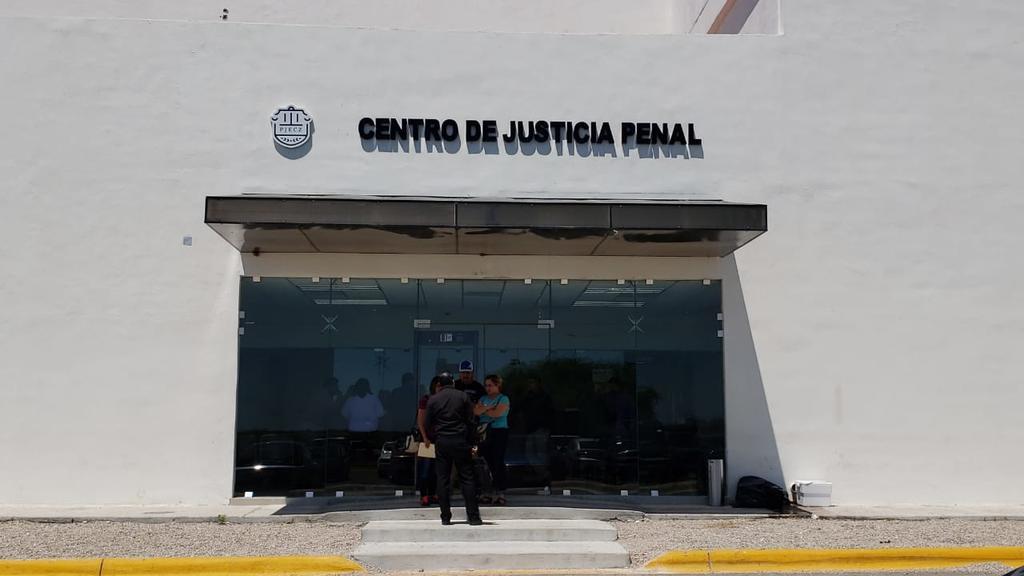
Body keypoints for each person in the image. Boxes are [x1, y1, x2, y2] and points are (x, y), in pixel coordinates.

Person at [424, 373, 483, 526]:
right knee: (467, 478)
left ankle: (445, 517)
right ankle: (473, 517)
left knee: (442, 479)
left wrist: (435, 437)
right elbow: (471, 421)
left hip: (442, 441)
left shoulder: (433, 399)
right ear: (453, 382)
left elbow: (427, 424)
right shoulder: (463, 396)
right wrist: (472, 441)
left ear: (440, 384)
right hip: (460, 441)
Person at [474, 374, 510, 505]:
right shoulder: (483, 398)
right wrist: (489, 408)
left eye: (490, 385)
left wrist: (485, 410)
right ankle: (486, 491)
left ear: (497, 385)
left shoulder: (503, 398)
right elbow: (476, 411)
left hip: (499, 431)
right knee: (484, 461)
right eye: (486, 385)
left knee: (497, 460)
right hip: (484, 432)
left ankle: (499, 491)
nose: (488, 388)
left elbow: (498, 413)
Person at [416, 375, 442, 506]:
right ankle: (424, 495)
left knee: (436, 470)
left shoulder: (445, 400)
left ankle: (433, 494)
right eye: (438, 386)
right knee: (425, 469)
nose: (440, 388)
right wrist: (425, 437)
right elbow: (420, 421)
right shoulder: (426, 400)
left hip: (440, 439)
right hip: (427, 439)